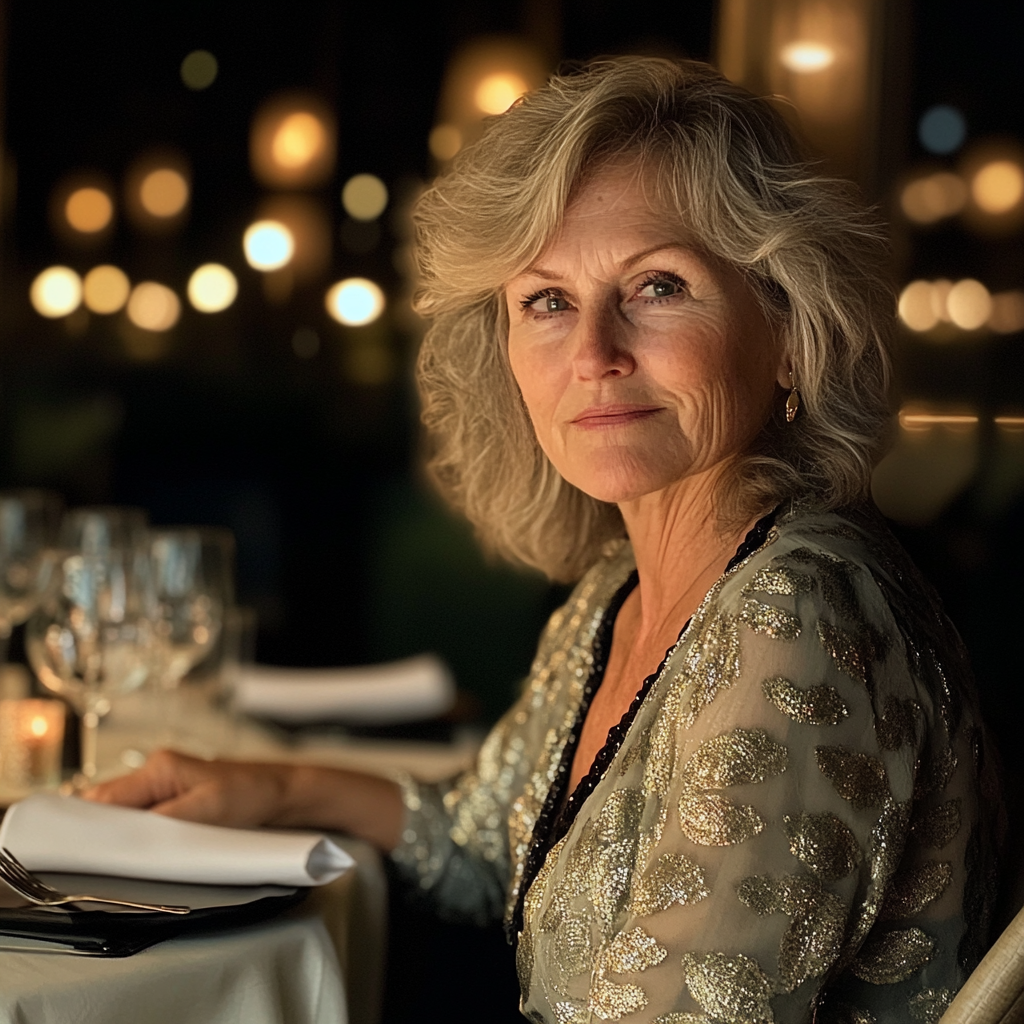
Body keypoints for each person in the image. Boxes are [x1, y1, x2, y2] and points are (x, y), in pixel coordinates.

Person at [88, 57, 1001, 1023]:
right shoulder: (621, 592)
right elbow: (487, 843)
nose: (594, 355)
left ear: (787, 327)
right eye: (547, 301)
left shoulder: (799, 620)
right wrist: (262, 786)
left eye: (657, 286)